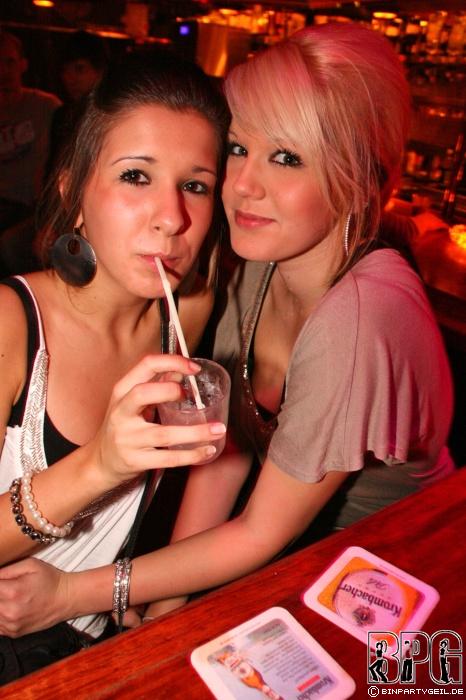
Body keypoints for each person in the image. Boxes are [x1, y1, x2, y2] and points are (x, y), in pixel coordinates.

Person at [0, 23, 454, 640]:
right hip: (287, 558)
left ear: (358, 178)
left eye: (287, 157)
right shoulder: (256, 263)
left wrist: (83, 594)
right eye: (238, 149)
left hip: (398, 572)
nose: (241, 186)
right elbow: (223, 455)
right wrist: (164, 609)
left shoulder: (359, 317)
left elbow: (261, 529)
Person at [0, 50, 229, 681]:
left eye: (196, 185)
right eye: (135, 176)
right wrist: (100, 463)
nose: (173, 217)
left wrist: (148, 600)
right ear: (73, 192)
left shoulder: (187, 312)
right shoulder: (11, 324)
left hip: (95, 642)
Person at [0, 31, 61, 233]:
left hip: (32, 207)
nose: (4, 70)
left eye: (10, 62)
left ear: (23, 64)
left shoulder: (46, 106)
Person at [47, 30, 108, 174]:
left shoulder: (113, 115)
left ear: (100, 71)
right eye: (65, 71)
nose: (70, 78)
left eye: (79, 69)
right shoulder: (62, 116)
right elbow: (53, 169)